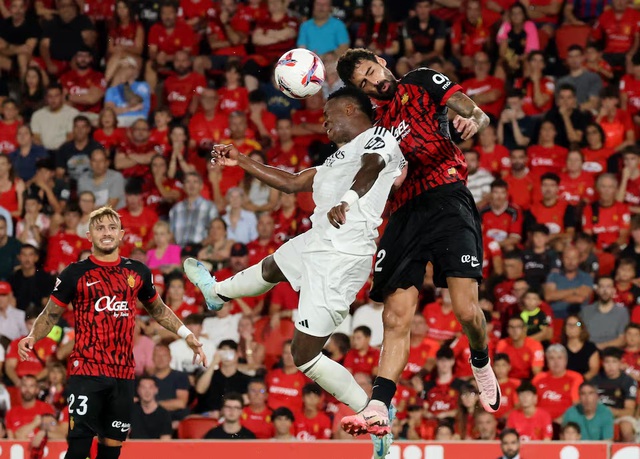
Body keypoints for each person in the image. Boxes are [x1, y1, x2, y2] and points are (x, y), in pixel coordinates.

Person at [186, 86, 404, 456]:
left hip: (340, 257)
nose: (324, 123)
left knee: (303, 356)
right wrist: (241, 161)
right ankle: (217, 293)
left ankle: (374, 420)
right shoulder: (338, 157)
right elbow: (290, 182)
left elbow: (372, 169)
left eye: (328, 116)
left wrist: (347, 201)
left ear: (350, 109)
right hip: (319, 239)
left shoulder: (379, 139)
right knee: (272, 266)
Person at [335, 48, 499, 435]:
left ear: (381, 62)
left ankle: (480, 359)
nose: (375, 81)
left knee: (466, 310)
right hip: (406, 212)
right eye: (365, 83)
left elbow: (463, 103)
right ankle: (379, 404)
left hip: (447, 198)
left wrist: (474, 117)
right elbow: (380, 169)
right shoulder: (376, 126)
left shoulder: (420, 80)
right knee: (394, 316)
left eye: (373, 71)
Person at [17, 206, 206, 459]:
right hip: (87, 370)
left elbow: (158, 309)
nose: (106, 232)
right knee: (79, 448)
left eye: (111, 227)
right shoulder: (75, 273)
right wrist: (33, 337)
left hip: (123, 374)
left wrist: (186, 334)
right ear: (89, 235)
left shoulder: (137, 271)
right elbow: (51, 313)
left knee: (111, 450)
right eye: (100, 228)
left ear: (121, 234)